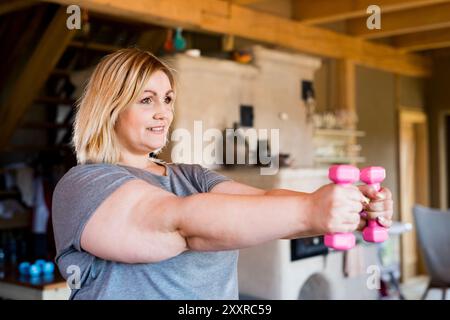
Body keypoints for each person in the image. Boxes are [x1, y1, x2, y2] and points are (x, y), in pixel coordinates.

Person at [52, 48, 393, 300]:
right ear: (110, 108)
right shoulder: (84, 185)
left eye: (168, 99)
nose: (163, 113)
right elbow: (180, 224)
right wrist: (313, 211)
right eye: (147, 100)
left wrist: (353, 209)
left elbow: (262, 202)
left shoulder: (191, 176)